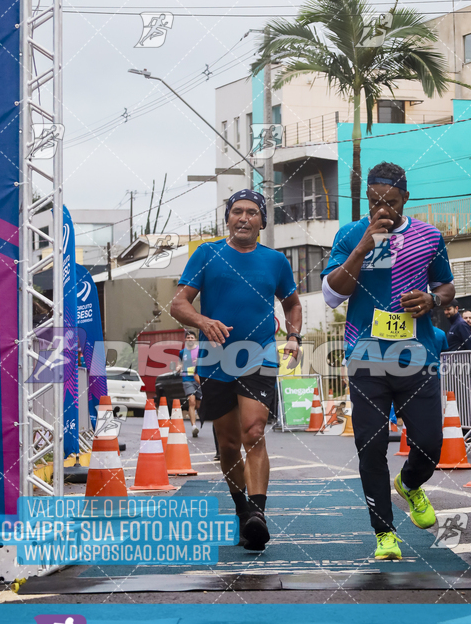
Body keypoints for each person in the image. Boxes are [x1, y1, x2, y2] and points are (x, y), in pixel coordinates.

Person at [321, 162, 455, 561]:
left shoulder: (429, 237)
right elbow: (331, 295)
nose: (384, 209)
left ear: (405, 199)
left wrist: (433, 300)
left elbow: (446, 285)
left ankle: (411, 483)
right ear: (367, 200)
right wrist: (363, 246)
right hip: (366, 357)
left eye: (391, 202)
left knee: (430, 444)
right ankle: (385, 534)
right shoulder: (349, 236)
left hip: (418, 357)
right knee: (371, 446)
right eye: (376, 202)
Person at [170, 189, 302, 551]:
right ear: (227, 218)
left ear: (262, 220)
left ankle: (258, 514)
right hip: (215, 358)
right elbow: (178, 304)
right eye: (237, 212)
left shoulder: (275, 261)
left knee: (254, 431)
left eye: (252, 212)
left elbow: (292, 304)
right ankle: (243, 511)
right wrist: (202, 319)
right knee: (228, 444)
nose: (244, 218)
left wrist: (293, 337)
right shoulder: (207, 254)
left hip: (258, 354)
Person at [177, 330, 201, 438]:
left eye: (192, 337)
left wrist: (200, 361)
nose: (190, 339)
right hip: (187, 378)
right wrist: (178, 368)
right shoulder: (182, 352)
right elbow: (179, 363)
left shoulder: (200, 350)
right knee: (191, 401)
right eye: (188, 338)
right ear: (185, 339)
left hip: (198, 378)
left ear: (195, 339)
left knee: (198, 404)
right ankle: (193, 426)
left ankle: (194, 413)